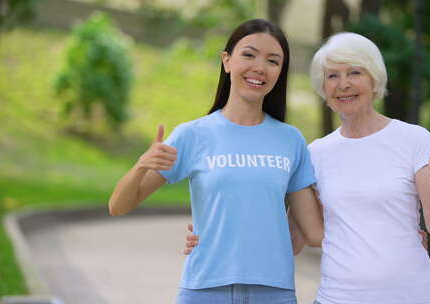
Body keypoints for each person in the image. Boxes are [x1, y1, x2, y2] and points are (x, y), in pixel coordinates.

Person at [186, 32, 430, 304]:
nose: (343, 85)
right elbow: (291, 239)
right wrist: (212, 240)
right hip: (336, 298)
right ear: (323, 88)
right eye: (332, 76)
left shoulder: (413, 139)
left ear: (374, 79)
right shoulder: (315, 153)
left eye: (354, 73)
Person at [108, 19, 323, 304]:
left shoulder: (291, 140)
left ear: (280, 72)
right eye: (249, 54)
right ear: (227, 61)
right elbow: (118, 206)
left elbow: (313, 233)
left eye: (272, 61)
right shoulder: (192, 135)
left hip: (274, 292)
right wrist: (141, 165)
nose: (259, 67)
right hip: (205, 290)